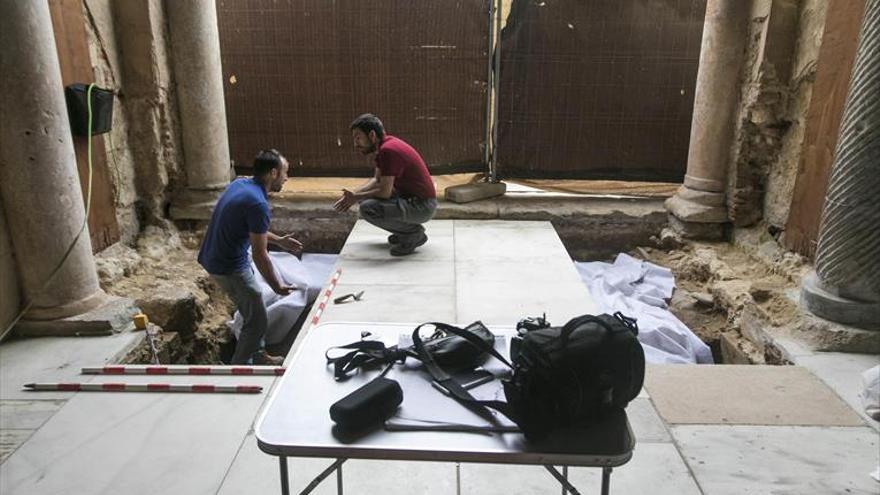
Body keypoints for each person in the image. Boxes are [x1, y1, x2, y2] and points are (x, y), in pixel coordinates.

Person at [198, 149, 302, 365]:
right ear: (273, 173)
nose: (286, 178)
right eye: (285, 172)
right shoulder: (258, 204)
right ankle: (237, 369)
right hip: (228, 266)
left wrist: (280, 240)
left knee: (252, 309)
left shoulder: (241, 184)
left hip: (213, 256)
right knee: (257, 320)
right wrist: (277, 285)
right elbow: (260, 254)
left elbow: (252, 231)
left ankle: (258, 355)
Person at [333, 114, 437, 256]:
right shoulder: (384, 147)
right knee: (367, 200)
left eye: (358, 138)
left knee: (368, 208)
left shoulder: (388, 151)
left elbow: (385, 192)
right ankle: (405, 232)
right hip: (412, 200)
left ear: (372, 135)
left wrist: (356, 197)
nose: (355, 144)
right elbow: (376, 180)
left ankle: (412, 234)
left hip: (422, 206)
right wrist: (353, 194)